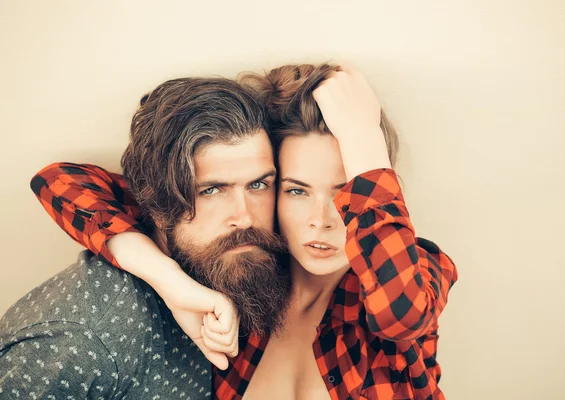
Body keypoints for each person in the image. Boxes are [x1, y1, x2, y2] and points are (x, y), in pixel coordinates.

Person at [28, 64, 458, 399]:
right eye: (295, 190)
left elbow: (400, 314)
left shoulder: (417, 268)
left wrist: (363, 136)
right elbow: (60, 181)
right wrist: (169, 281)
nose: (323, 219)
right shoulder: (246, 272)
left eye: (346, 194)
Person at [1, 77, 290, 398]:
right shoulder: (85, 339)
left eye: (259, 185)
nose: (245, 217)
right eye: (210, 190)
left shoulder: (256, 266)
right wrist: (170, 281)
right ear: (155, 204)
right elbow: (58, 180)